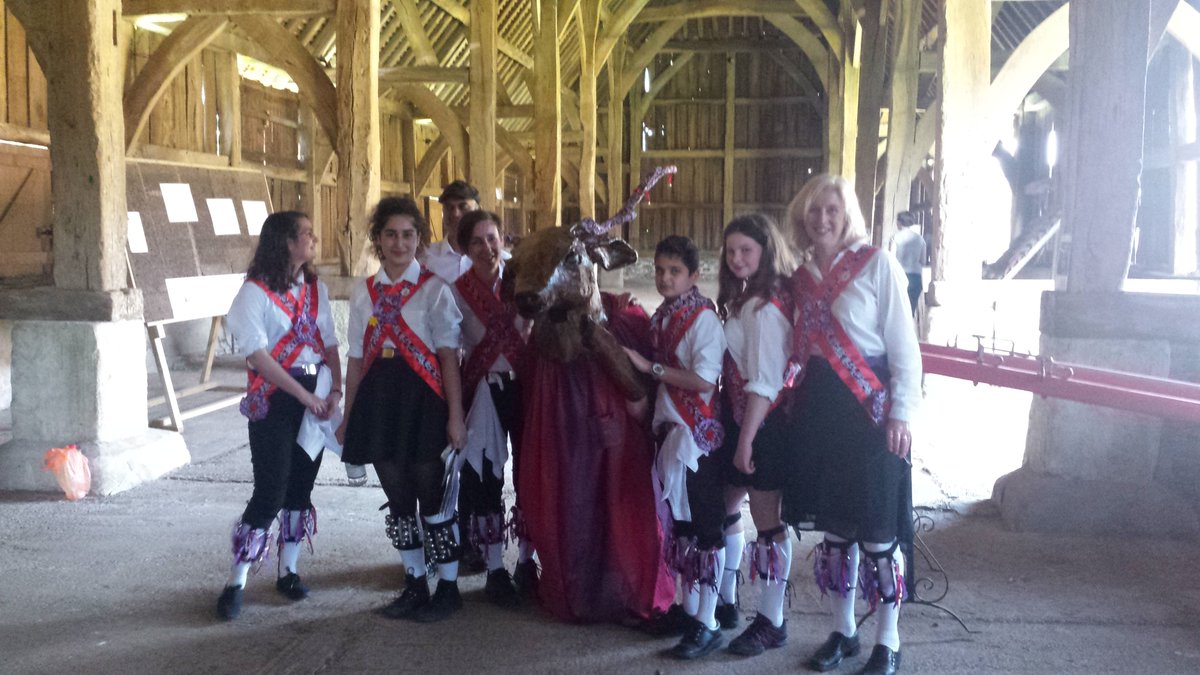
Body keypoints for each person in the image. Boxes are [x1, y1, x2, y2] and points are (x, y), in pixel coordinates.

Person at [786, 175, 922, 675]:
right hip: (821, 413)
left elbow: (904, 345)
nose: (822, 219)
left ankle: (888, 639)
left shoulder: (877, 265)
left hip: (870, 413)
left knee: (878, 534)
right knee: (836, 533)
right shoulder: (799, 277)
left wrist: (902, 411)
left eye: (832, 211)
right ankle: (842, 632)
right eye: (814, 211)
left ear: (848, 217)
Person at [336, 197, 468, 623]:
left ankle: (447, 586)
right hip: (379, 402)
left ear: (419, 240)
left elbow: (448, 357)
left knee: (432, 499)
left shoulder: (434, 290)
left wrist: (455, 415)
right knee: (397, 500)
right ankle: (414, 584)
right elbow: (356, 357)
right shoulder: (364, 292)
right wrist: (349, 414)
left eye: (408, 234)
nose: (399, 242)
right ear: (378, 240)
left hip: (424, 401)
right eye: (390, 234)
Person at [216, 211, 342, 621]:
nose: (313, 239)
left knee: (301, 488)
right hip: (275, 399)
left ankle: (288, 571)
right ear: (286, 242)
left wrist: (334, 389)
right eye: (306, 234)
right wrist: (304, 396)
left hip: (315, 396)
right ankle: (237, 580)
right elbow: (257, 356)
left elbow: (330, 343)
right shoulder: (253, 293)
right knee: (270, 489)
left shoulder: (315, 288)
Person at [623, 236, 727, 659]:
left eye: (674, 271)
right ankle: (688, 610)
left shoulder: (702, 319)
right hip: (673, 433)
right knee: (683, 530)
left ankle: (710, 622)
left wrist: (652, 368)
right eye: (660, 270)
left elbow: (705, 379)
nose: (665, 278)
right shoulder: (664, 315)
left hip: (697, 436)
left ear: (694, 276)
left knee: (705, 530)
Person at [715, 214, 798, 657]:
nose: (737, 258)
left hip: (761, 422)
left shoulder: (766, 309)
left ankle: (771, 621)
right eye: (731, 251)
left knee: (767, 525)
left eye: (746, 250)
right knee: (728, 507)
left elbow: (766, 381)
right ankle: (725, 602)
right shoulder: (750, 298)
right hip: (743, 416)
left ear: (766, 251)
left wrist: (746, 439)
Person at [448, 209, 538, 606]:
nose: (487, 248)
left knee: (531, 472)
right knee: (486, 478)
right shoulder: (456, 291)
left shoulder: (525, 282)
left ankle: (527, 560)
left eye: (492, 237)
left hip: (527, 384)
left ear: (503, 238)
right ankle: (495, 568)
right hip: (483, 389)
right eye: (476, 242)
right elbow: (450, 352)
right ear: (463, 249)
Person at [425, 180, 481, 284]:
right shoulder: (426, 258)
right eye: (449, 207)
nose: (455, 214)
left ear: (478, 210)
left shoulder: (498, 259)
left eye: (463, 207)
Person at [888, 211, 926, 316]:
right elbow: (923, 261)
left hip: (899, 276)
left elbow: (891, 259)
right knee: (910, 310)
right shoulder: (920, 239)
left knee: (898, 310)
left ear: (899, 222)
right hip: (916, 277)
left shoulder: (895, 238)